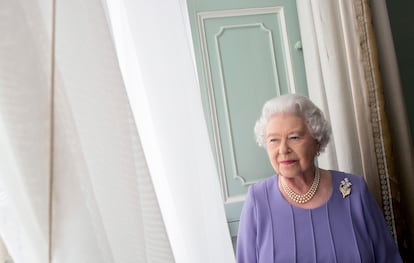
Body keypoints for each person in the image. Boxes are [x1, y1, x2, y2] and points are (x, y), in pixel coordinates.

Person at [236, 93, 402, 262]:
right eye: (273, 140)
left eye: (294, 137)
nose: (283, 149)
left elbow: (389, 259)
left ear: (317, 141)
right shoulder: (257, 200)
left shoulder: (354, 191)